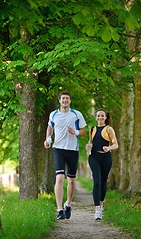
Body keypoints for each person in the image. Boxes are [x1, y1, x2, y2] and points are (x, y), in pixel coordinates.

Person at [44, 90, 86, 220]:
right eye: (63, 99)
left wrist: (76, 132)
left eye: (67, 98)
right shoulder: (54, 114)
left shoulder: (76, 114)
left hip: (73, 150)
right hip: (59, 149)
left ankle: (68, 203)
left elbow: (84, 131)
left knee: (71, 180)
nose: (65, 101)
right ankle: (59, 209)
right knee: (60, 178)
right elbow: (50, 127)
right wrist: (48, 139)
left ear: (70, 101)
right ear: (59, 100)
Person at [86, 108, 118, 220]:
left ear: (105, 117)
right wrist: (88, 147)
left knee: (103, 181)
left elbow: (116, 145)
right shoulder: (92, 129)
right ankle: (97, 209)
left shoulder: (109, 129)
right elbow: (90, 144)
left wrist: (108, 148)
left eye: (102, 116)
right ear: (96, 117)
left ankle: (101, 203)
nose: (100, 118)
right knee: (97, 182)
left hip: (106, 158)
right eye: (98, 116)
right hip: (94, 157)